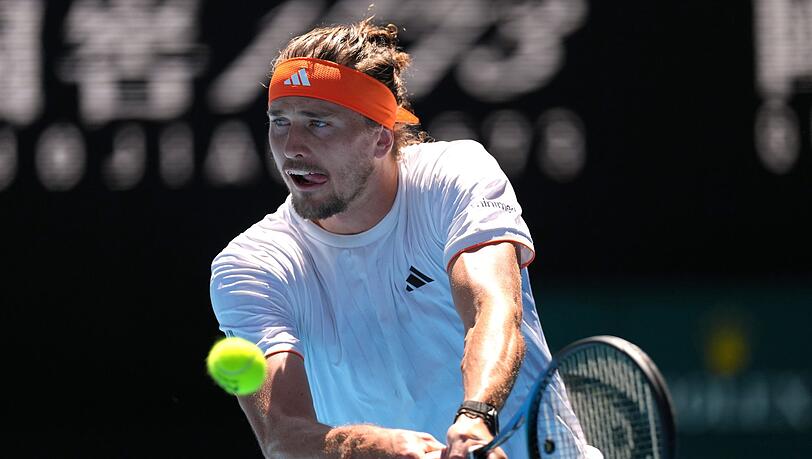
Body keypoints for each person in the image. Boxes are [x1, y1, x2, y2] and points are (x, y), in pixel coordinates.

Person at [210, 18, 582, 458]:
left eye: (318, 123)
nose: (291, 147)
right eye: (280, 122)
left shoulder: (455, 176)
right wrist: (392, 447)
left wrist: (476, 418)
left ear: (380, 140)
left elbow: (492, 310)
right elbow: (283, 434)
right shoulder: (251, 265)